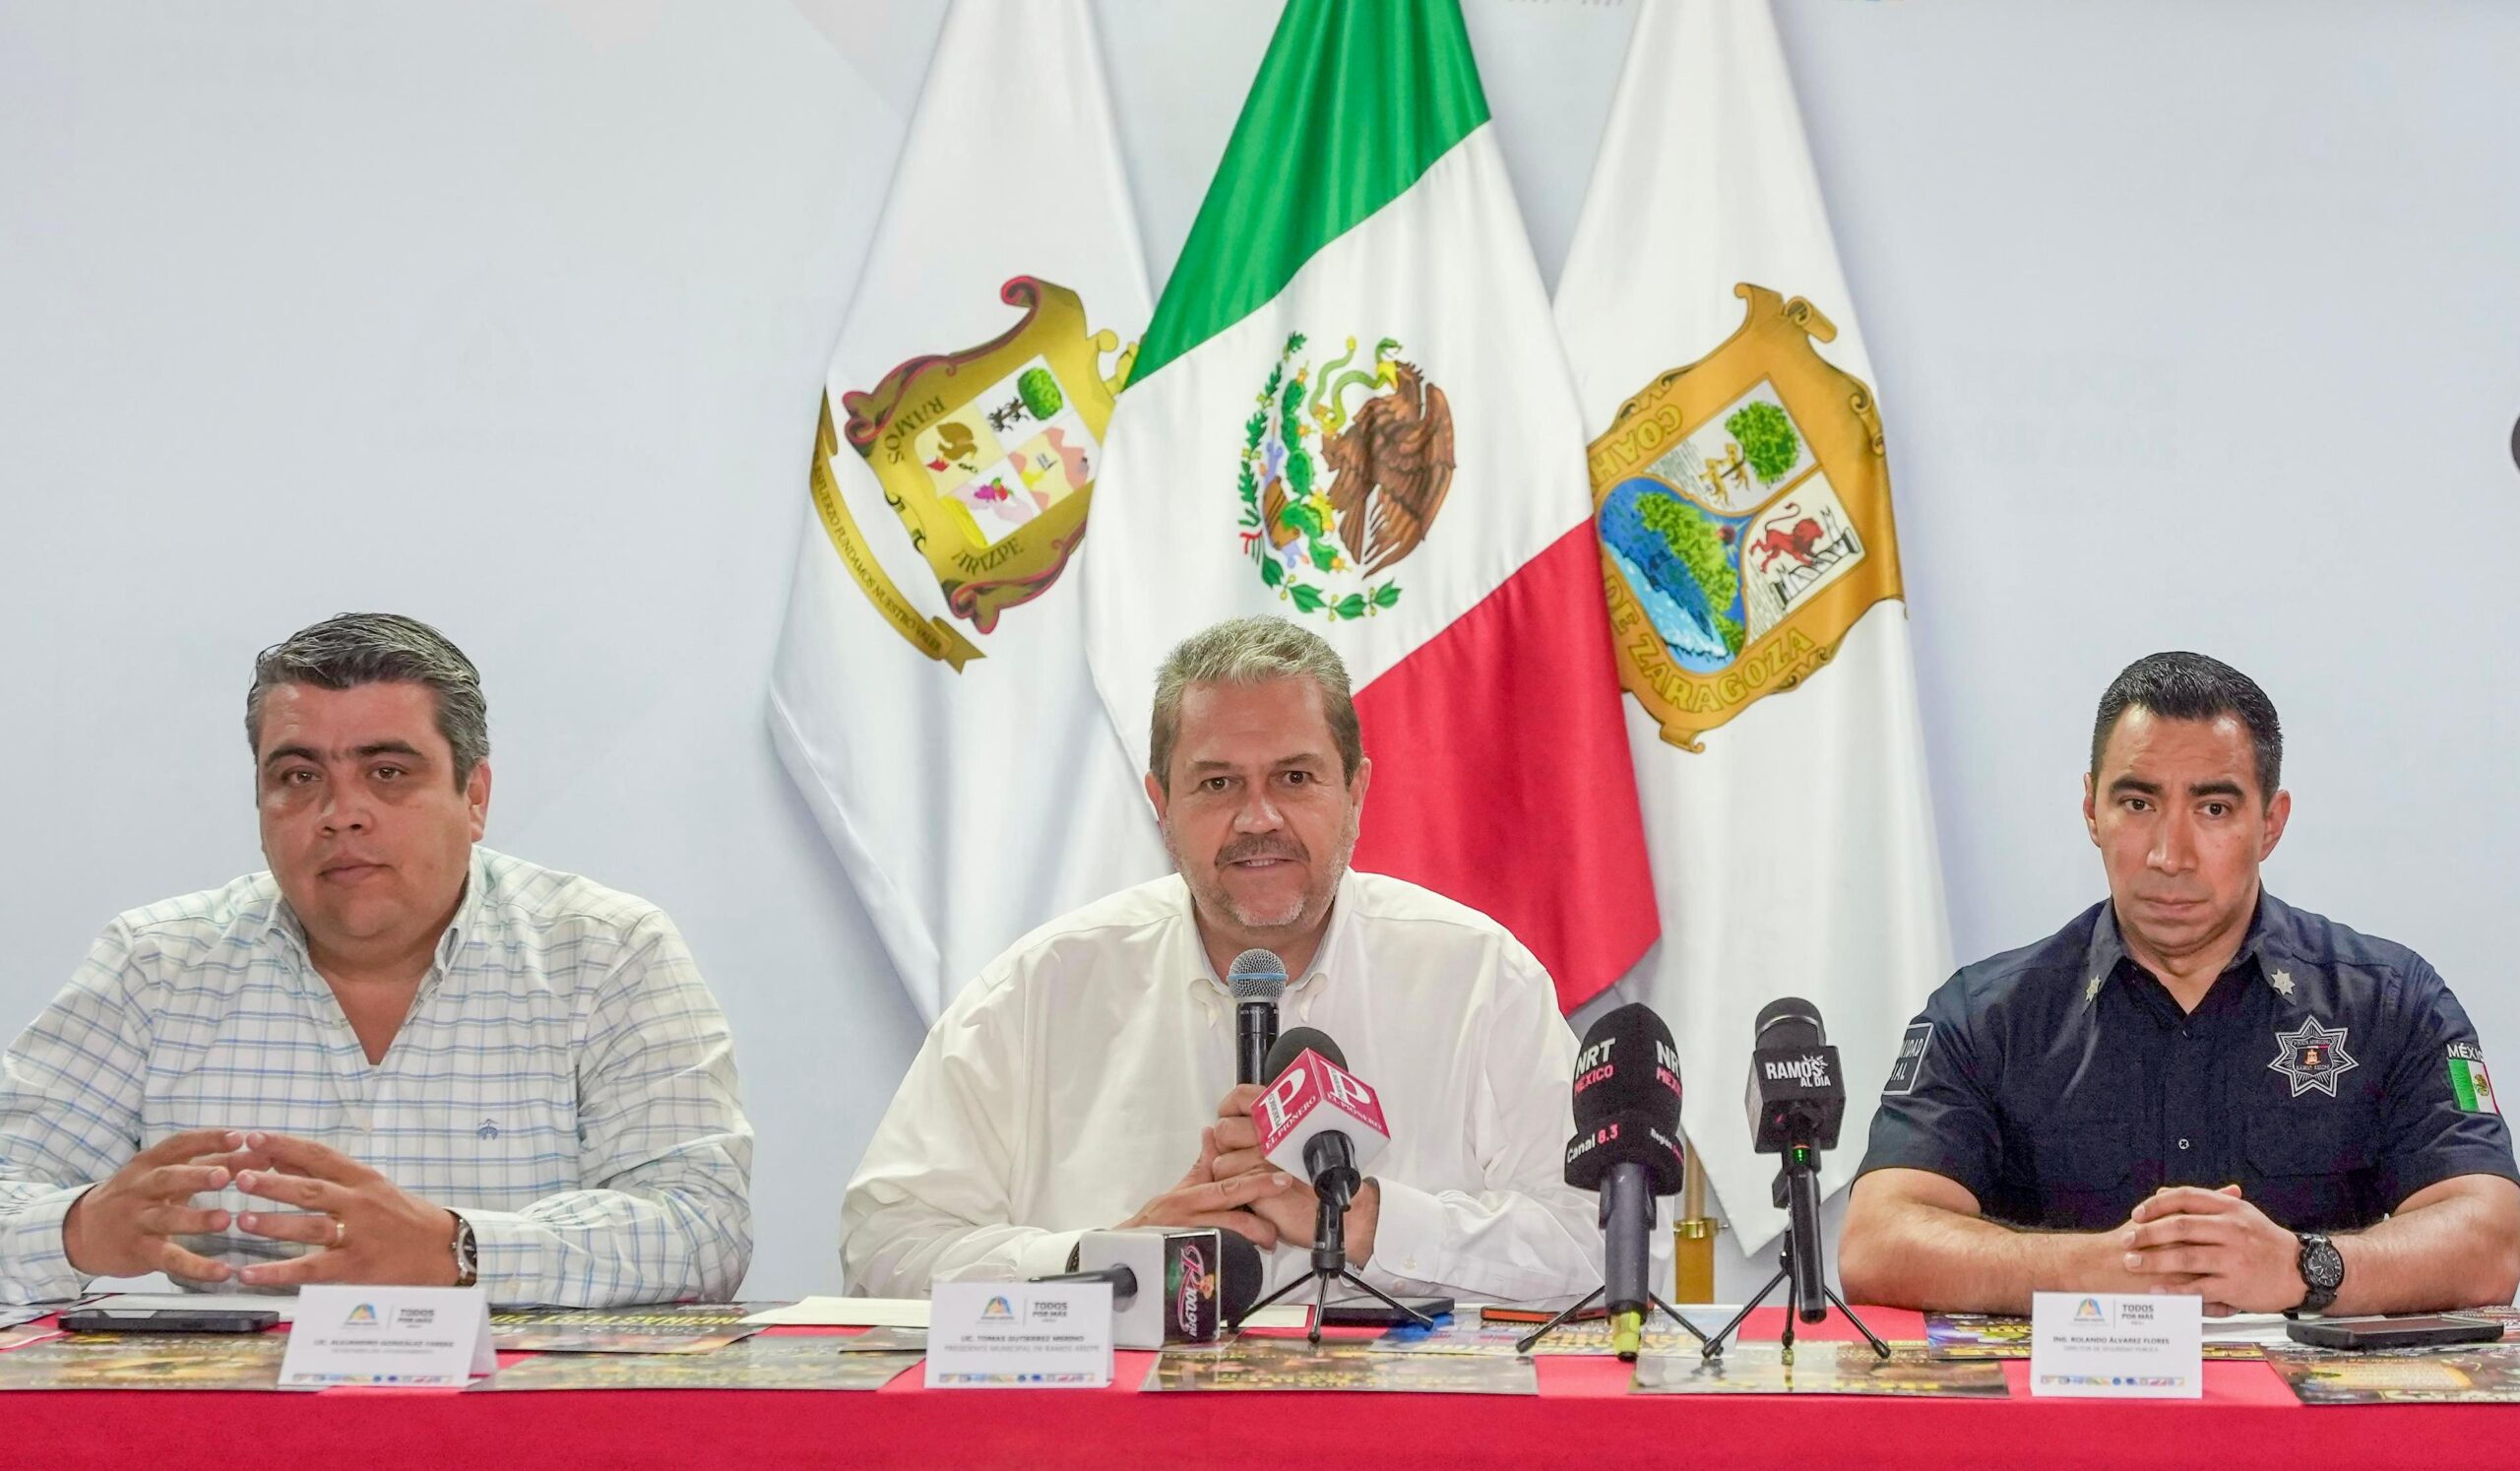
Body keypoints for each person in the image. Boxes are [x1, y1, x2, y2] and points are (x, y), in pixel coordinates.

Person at [0, 613, 753, 1308]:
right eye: (300, 778)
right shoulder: (156, 964)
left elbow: (702, 1226)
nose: (342, 814)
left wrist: (456, 1249)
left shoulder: (605, 952)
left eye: (388, 772)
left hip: (513, 1401)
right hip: (235, 1404)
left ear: (475, 796)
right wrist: (77, 1229)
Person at [842, 615, 1599, 1302]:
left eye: (1295, 778)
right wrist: (1104, 1257)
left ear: (1356, 792)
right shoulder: (1042, 987)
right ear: (1161, 805)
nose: (1258, 818)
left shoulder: (1477, 979)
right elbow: (884, 1246)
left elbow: (1606, 1243)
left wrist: (1365, 1223)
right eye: (1217, 783)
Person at [1840, 652, 2520, 1315]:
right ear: (2091, 810)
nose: (2171, 855)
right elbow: (1877, 1243)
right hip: (2068, 1394)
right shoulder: (1986, 1016)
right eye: (2138, 803)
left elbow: (2492, 1242)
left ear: (2271, 823)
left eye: (2214, 809)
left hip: (2308, 1395)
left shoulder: (2391, 1002)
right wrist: (2093, 1269)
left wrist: (2301, 1267)